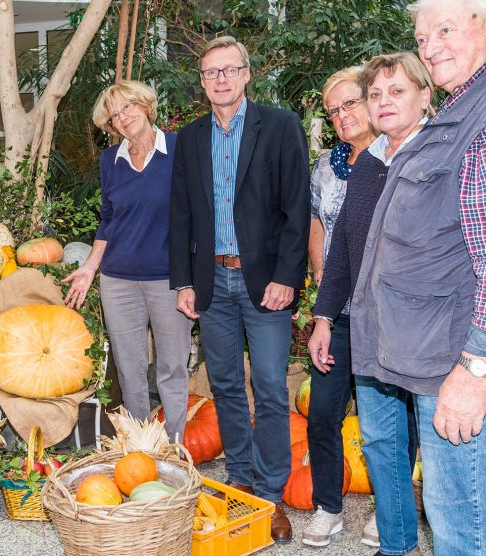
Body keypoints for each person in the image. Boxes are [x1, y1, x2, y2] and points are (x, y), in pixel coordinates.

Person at [350, 1, 486, 553]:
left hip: (469, 369)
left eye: (445, 30)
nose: (430, 47)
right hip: (448, 357)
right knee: (482, 522)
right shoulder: (472, 104)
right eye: (422, 37)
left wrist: (474, 373)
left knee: (469, 534)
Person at [169, 35, 310, 543]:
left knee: (271, 388)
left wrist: (288, 276)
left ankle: (271, 495)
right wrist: (183, 281)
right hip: (212, 281)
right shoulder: (189, 138)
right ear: (203, 83)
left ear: (247, 74)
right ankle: (242, 482)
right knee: (225, 385)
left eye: (229, 70)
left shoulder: (279, 126)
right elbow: (181, 214)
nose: (221, 79)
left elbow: (298, 209)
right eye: (211, 73)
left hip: (265, 281)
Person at [308, 52, 433, 556]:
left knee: (420, 441)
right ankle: (392, 538)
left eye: (391, 93)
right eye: (375, 94)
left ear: (425, 97)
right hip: (357, 319)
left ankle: (398, 529)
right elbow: (340, 246)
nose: (379, 104)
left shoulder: (435, 156)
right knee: (376, 436)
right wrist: (322, 315)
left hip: (418, 328)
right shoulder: (365, 166)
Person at [64, 80, 192, 443]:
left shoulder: (180, 148)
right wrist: (90, 267)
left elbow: (199, 211)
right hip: (118, 281)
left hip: (170, 279)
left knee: (171, 368)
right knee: (130, 371)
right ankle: (141, 449)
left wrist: (193, 277)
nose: (123, 117)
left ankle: (175, 449)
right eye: (115, 115)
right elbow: (108, 218)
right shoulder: (110, 161)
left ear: (146, 106)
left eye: (128, 107)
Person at [299, 67, 378, 548]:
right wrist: (321, 290)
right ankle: (328, 505)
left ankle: (384, 508)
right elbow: (317, 225)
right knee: (323, 413)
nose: (342, 115)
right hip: (337, 311)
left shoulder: (396, 158)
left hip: (383, 313)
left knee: (383, 418)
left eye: (350, 103)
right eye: (333, 110)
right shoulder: (327, 166)